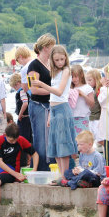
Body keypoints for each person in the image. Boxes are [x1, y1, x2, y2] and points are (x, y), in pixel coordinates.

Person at [31, 45, 77, 175]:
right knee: (55, 145)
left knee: (63, 145)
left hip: (63, 109)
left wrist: (41, 84)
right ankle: (61, 175)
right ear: (52, 60)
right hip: (54, 109)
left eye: (62, 59)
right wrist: (50, 114)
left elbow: (59, 91)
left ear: (66, 58)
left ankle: (64, 175)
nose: (60, 62)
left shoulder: (67, 70)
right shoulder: (54, 72)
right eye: (57, 60)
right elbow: (53, 95)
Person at [27, 33, 56, 171]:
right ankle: (40, 168)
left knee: (51, 138)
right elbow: (33, 89)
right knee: (41, 138)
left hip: (50, 104)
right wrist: (54, 91)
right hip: (39, 106)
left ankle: (51, 166)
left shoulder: (50, 64)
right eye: (52, 47)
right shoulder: (33, 66)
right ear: (45, 48)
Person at [69, 65, 94, 136]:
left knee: (83, 140)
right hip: (70, 118)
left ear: (81, 75)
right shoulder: (70, 88)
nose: (74, 79)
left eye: (76, 76)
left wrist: (83, 95)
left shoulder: (87, 88)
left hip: (82, 118)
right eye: (72, 77)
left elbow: (92, 104)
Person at [9, 73, 32, 142]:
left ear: (19, 83)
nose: (15, 89)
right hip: (30, 117)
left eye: (15, 86)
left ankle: (25, 152)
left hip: (24, 118)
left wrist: (20, 115)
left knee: (23, 138)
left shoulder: (22, 91)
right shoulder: (29, 89)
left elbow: (25, 103)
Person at [86, 69, 102, 142]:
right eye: (87, 80)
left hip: (97, 118)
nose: (87, 82)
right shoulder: (90, 90)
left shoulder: (99, 90)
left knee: (99, 139)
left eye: (90, 80)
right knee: (92, 137)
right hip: (91, 117)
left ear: (96, 80)